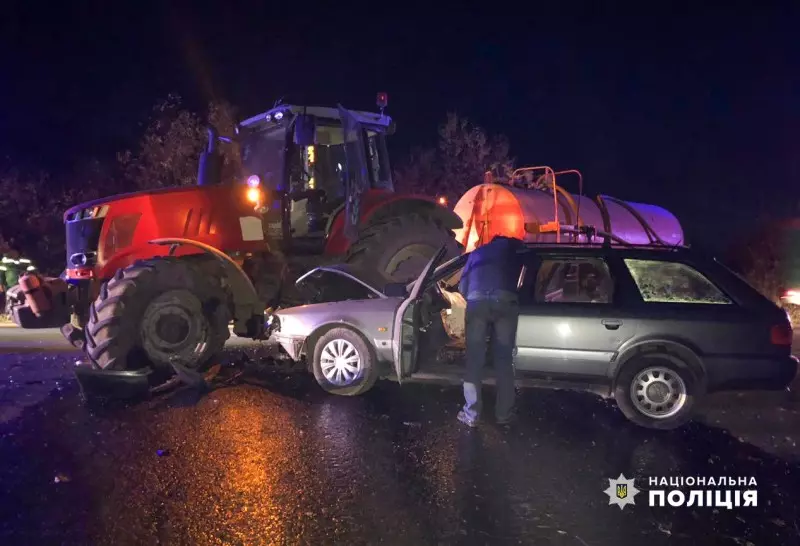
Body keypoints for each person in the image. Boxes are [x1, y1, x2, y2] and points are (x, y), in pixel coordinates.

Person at [456, 234, 525, 427]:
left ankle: (471, 415)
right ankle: (503, 415)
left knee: (474, 359)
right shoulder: (516, 252)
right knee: (504, 360)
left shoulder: (477, 253)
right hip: (505, 302)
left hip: (477, 303)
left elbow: (462, 287)